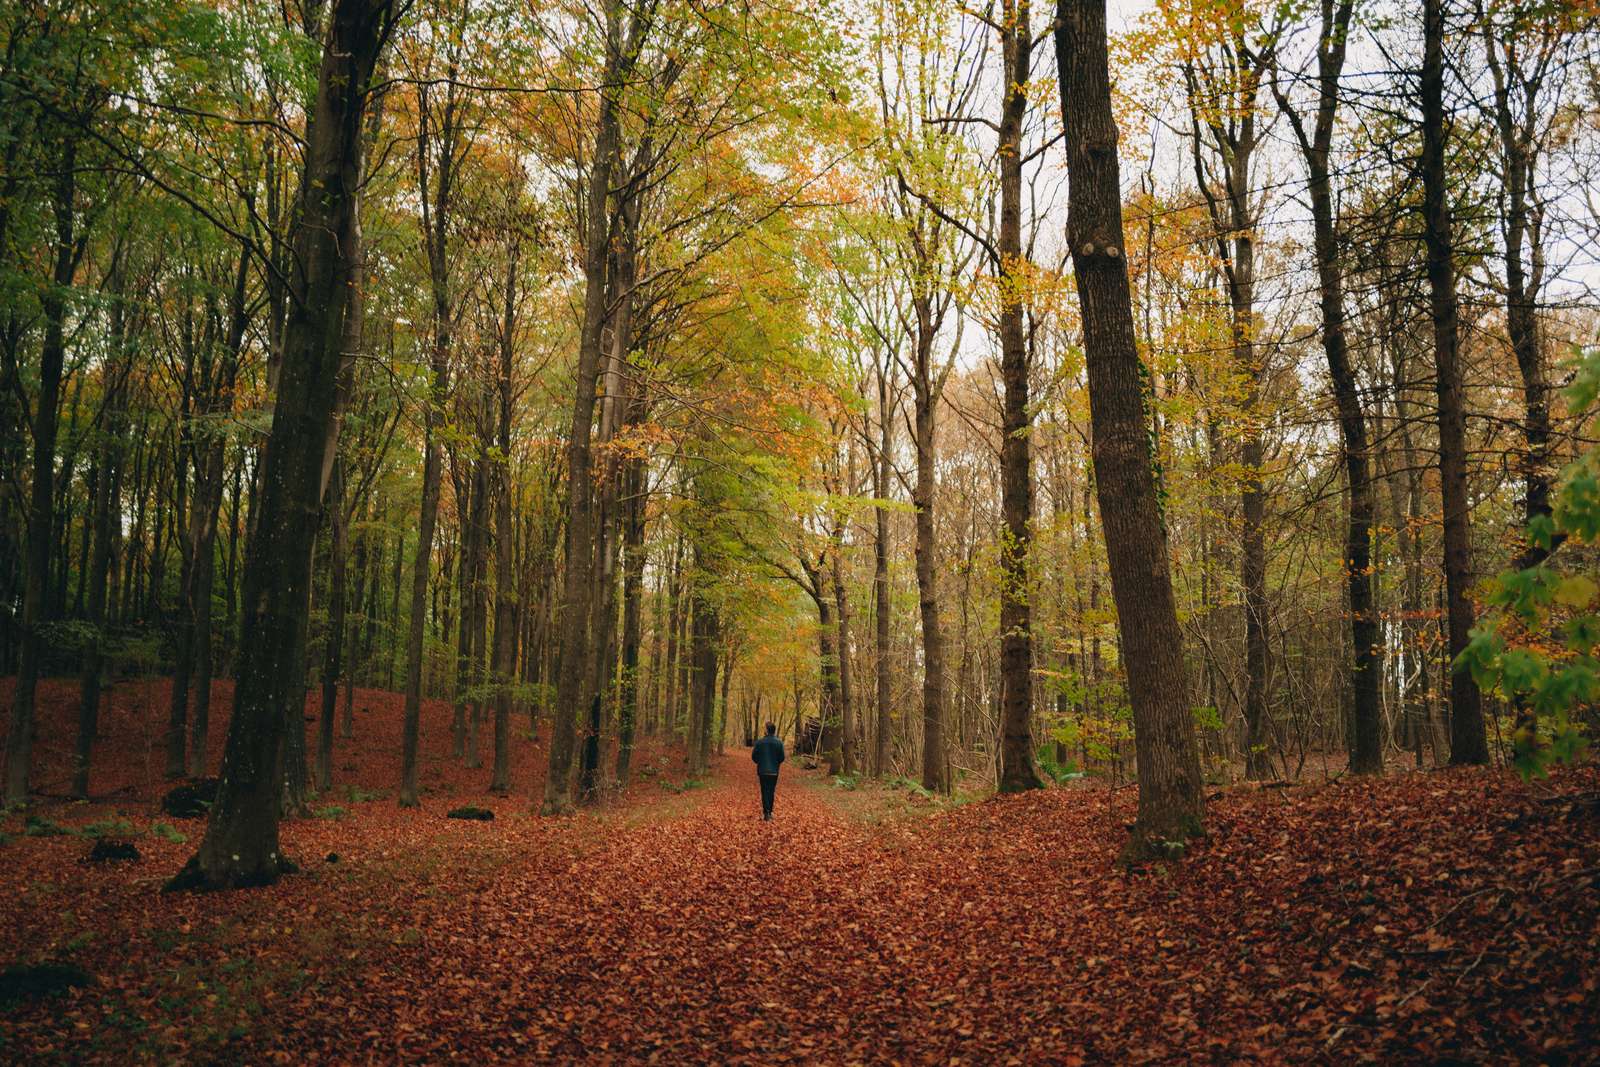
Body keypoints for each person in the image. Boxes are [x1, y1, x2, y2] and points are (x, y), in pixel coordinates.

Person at [751, 722, 785, 821]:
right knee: (771, 791)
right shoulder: (779, 743)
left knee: (765, 791)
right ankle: (769, 812)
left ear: (767, 730)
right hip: (774, 771)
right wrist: (775, 763)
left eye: (765, 728)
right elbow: (782, 757)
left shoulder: (760, 742)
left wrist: (760, 762)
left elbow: (754, 757)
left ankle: (766, 813)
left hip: (763, 771)